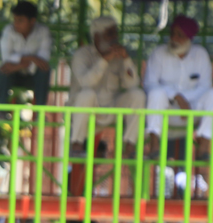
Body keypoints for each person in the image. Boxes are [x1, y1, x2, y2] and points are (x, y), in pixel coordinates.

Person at [68, 15, 145, 159]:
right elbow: (86, 83)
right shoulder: (81, 55)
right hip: (85, 110)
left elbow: (133, 84)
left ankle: (130, 146)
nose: (115, 38)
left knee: (138, 95)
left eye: (116, 33)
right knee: (87, 94)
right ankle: (77, 144)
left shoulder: (119, 55)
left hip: (111, 108)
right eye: (110, 33)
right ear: (97, 36)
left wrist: (126, 59)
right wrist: (104, 60)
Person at [144, 14, 213, 160]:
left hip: (192, 112)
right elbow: (150, 84)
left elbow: (205, 87)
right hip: (166, 110)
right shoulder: (159, 53)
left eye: (180, 35)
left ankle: (204, 147)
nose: (174, 39)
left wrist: (186, 103)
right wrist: (177, 97)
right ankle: (154, 146)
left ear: (189, 38)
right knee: (156, 93)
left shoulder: (200, 55)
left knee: (212, 95)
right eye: (173, 34)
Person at [0, 0, 52, 106]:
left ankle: (40, 110)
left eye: (20, 20)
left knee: (44, 70)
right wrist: (32, 59)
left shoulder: (43, 32)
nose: (16, 24)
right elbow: (6, 58)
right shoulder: (8, 30)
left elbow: (43, 60)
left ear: (32, 21)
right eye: (15, 20)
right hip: (12, 73)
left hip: (33, 75)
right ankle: (0, 109)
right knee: (4, 70)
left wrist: (20, 63)